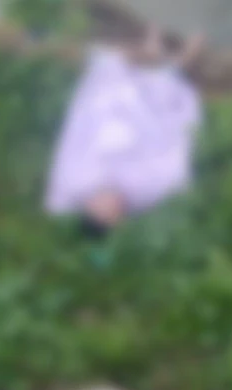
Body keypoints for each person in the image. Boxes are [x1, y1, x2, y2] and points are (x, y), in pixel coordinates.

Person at [45, 25, 204, 239]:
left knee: (112, 82)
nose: (115, 207)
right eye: (116, 214)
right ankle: (182, 54)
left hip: (113, 116)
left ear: (91, 207)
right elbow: (169, 169)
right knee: (164, 98)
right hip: (148, 125)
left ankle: (151, 46)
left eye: (107, 211)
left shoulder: (76, 183)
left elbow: (80, 135)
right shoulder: (137, 195)